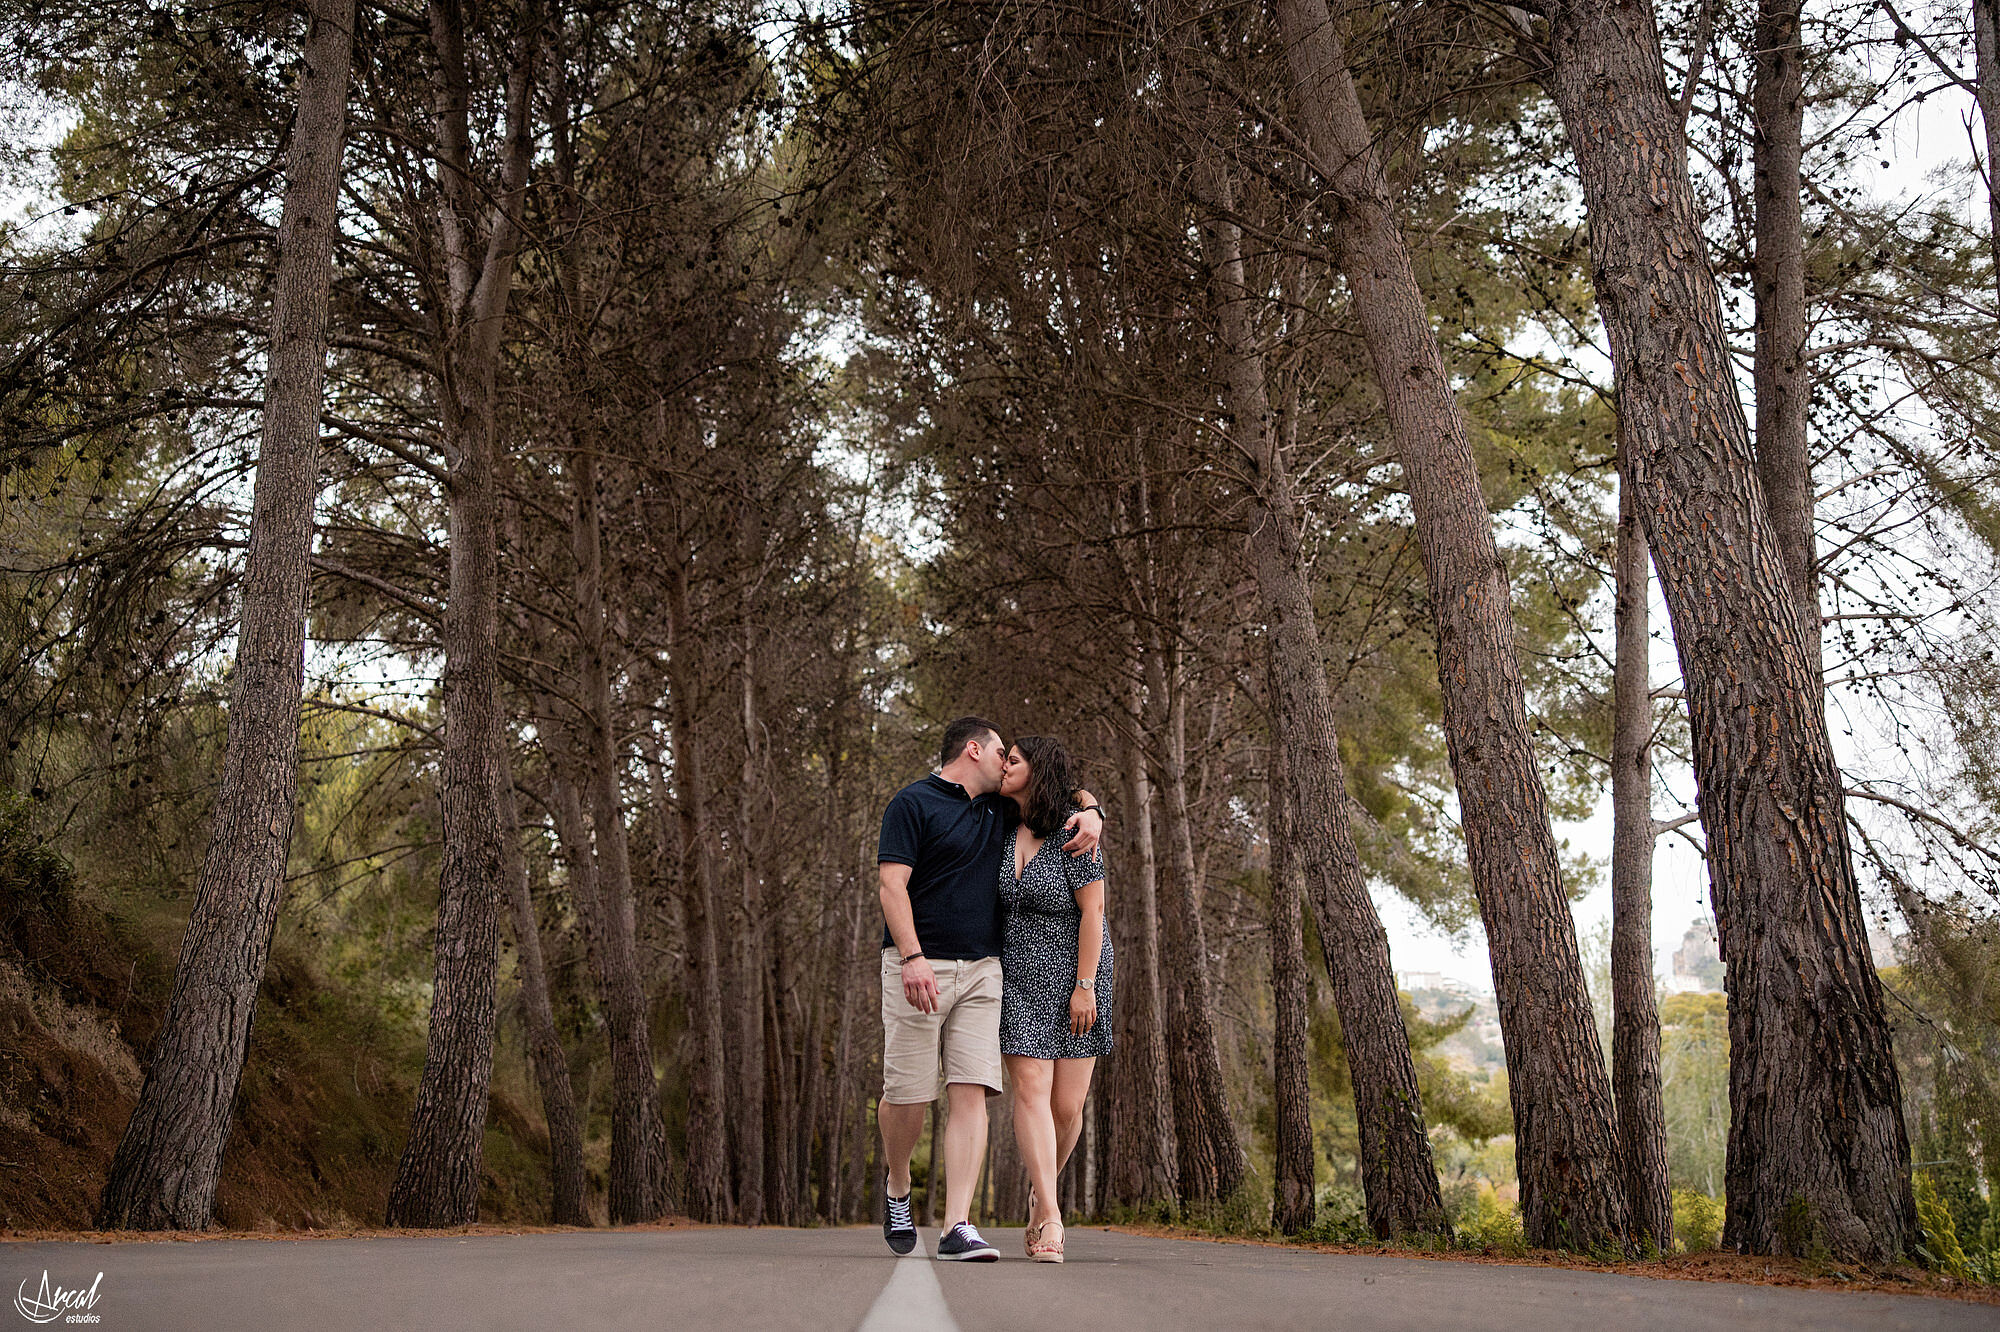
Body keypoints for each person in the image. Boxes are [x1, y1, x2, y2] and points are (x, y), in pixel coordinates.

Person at [877, 716, 1103, 1261]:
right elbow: (891, 884)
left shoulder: (1008, 809)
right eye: (1003, 752)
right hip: (925, 965)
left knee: (974, 1089)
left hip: (987, 970)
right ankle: (899, 1185)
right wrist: (911, 957)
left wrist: (1093, 809)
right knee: (908, 1092)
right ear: (974, 751)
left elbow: (1059, 783)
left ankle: (960, 1222)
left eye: (1014, 757)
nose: (1007, 763)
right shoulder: (912, 804)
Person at [996, 735, 1111, 1264]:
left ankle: (1040, 1191)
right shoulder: (998, 824)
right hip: (1018, 975)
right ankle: (1050, 1215)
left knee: (1067, 1108)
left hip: (1077, 975)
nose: (1004, 765)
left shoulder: (1073, 828)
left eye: (1013, 760)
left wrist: (1084, 985)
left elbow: (1094, 914)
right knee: (1030, 1090)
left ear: (1036, 771)